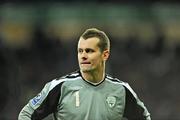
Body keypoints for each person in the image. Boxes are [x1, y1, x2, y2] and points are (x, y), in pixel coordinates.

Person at [18, 28, 151, 120]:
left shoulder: (121, 90)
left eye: (89, 51)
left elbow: (144, 117)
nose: (83, 56)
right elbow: (27, 114)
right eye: (80, 51)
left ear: (105, 54)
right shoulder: (61, 86)